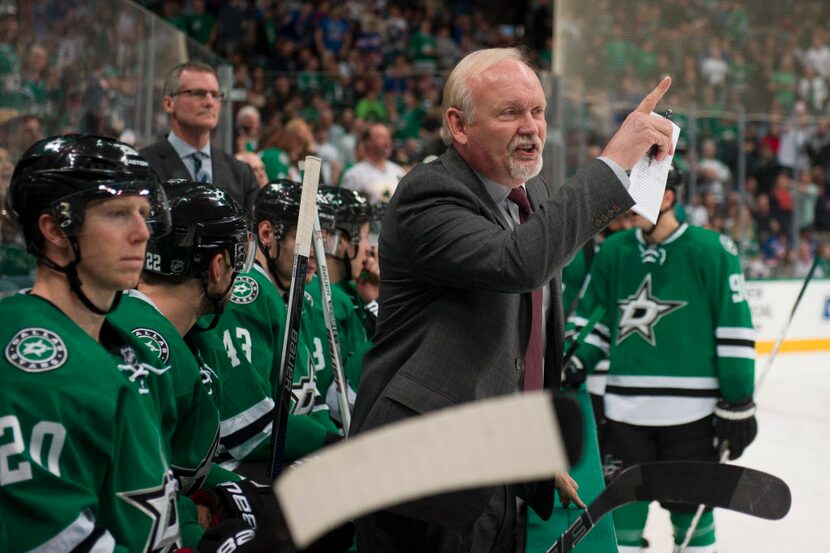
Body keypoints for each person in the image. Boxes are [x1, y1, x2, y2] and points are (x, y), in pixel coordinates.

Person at [349, 46, 675, 553]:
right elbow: (516, 263)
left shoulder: (536, 195)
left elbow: (527, 341)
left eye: (538, 111)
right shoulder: (428, 194)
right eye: (509, 113)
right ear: (458, 126)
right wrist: (613, 164)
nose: (531, 127)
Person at [0, 134, 180, 550]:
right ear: (54, 229)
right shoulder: (27, 363)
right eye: (118, 213)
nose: (142, 234)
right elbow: (52, 538)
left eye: (145, 214)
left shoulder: (129, 349)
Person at [566, 171, 757, 553]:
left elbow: (734, 326)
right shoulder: (615, 250)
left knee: (693, 523)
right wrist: (575, 359)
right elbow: (597, 317)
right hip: (625, 417)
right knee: (623, 523)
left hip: (694, 420)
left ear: (667, 198)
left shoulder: (714, 249)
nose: (626, 206)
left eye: (640, 196)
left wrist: (738, 399)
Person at [140, 61, 259, 212]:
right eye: (198, 93)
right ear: (169, 103)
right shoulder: (144, 166)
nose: (210, 102)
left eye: (215, 95)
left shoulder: (241, 173)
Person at [340, 123, 406, 203]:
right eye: (381, 137)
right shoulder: (355, 174)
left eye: (388, 137)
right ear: (368, 142)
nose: (387, 142)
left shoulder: (399, 172)